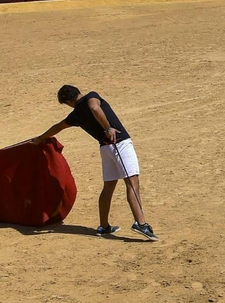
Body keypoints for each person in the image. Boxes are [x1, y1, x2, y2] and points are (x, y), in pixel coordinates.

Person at [36, 84, 156, 240]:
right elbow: (94, 107)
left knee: (108, 187)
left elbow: (57, 127)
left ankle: (104, 226)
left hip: (105, 150)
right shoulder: (91, 96)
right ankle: (140, 223)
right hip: (120, 144)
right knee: (132, 184)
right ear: (78, 92)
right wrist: (107, 128)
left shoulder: (75, 115)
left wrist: (39, 139)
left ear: (68, 102)